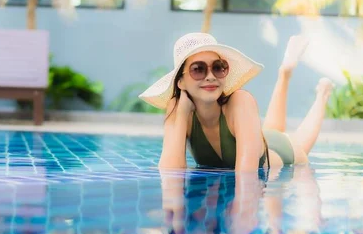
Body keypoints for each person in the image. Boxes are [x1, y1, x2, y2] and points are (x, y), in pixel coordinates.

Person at [139, 32, 334, 172]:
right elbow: (171, 173)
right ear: (180, 81)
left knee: (297, 141)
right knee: (272, 129)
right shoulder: (177, 109)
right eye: (198, 69)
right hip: (257, 137)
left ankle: (321, 94)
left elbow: (247, 178)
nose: (210, 77)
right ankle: (284, 73)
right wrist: (181, 112)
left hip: (280, 151)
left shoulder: (240, 101)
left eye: (218, 67)